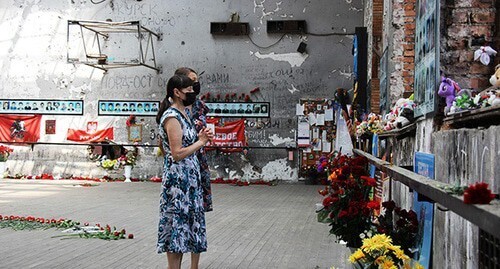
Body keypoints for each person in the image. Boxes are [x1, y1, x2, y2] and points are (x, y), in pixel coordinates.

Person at [156, 74, 213, 269]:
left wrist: (200, 137)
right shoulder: (172, 117)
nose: (192, 93)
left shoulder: (184, 114)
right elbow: (177, 153)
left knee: (186, 233)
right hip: (178, 185)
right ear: (177, 92)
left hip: (189, 184)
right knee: (176, 233)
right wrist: (201, 142)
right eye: (188, 90)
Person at [175, 67, 213, 213]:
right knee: (182, 207)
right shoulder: (173, 110)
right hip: (182, 160)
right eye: (192, 80)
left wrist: (205, 135)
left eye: (197, 80)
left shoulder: (200, 106)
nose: (196, 84)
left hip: (198, 159)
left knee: (197, 208)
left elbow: (201, 128)